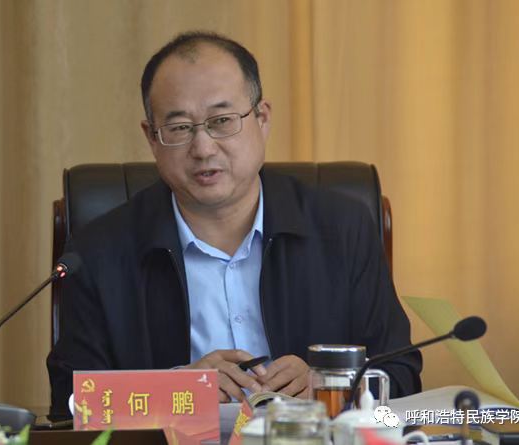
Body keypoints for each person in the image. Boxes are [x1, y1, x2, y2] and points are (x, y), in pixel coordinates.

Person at [47, 31, 422, 418]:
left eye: (222, 121)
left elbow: (401, 374)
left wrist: (331, 386)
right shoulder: (97, 254)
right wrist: (174, 392)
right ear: (152, 138)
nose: (203, 148)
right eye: (179, 128)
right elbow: (70, 402)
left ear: (262, 119)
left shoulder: (342, 229)